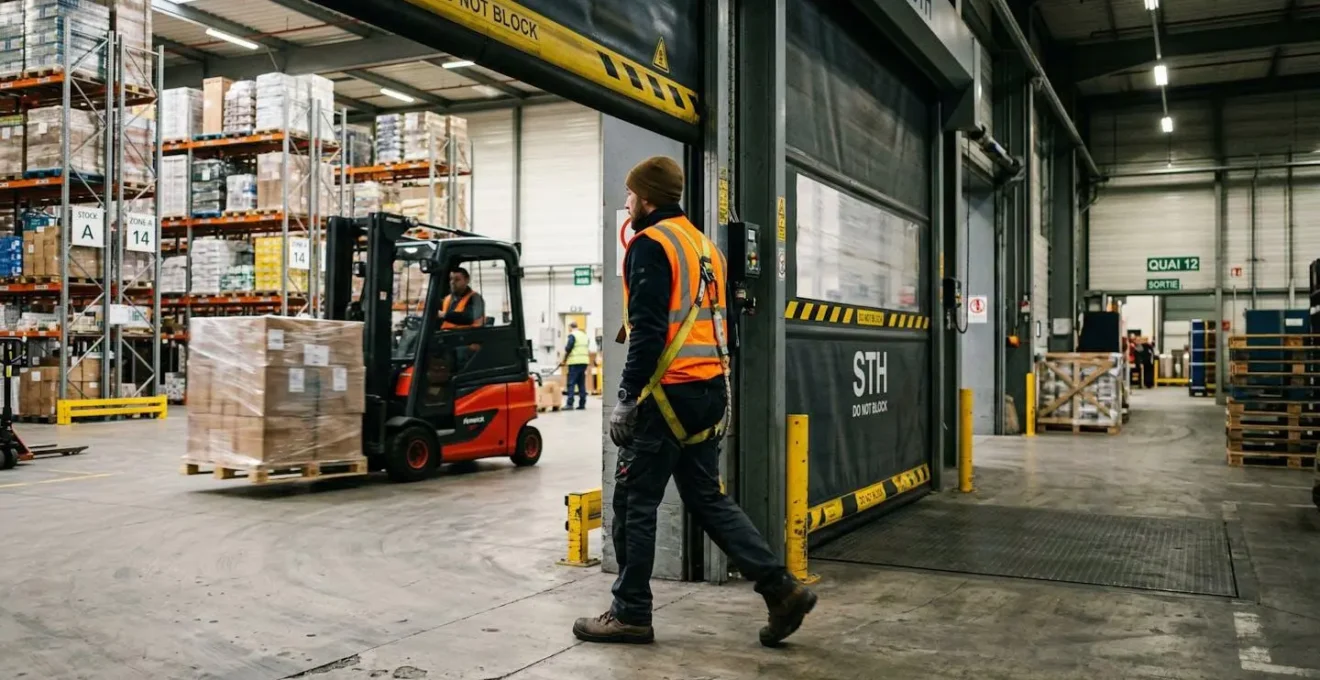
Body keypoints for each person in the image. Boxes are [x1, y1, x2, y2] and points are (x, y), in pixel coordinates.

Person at [572, 156, 816, 647]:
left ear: (647, 198)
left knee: (635, 502)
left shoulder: (650, 245)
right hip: (709, 392)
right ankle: (781, 588)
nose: (625, 204)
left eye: (629, 195)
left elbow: (648, 331)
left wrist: (625, 398)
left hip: (665, 396)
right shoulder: (705, 248)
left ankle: (631, 612)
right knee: (707, 499)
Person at [564, 321, 590, 410]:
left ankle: (569, 404)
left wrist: (564, 360)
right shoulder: (584, 335)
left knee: (571, 383)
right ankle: (582, 404)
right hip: (584, 361)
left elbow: (568, 348)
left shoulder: (573, 335)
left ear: (570, 327)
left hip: (574, 362)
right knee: (581, 383)